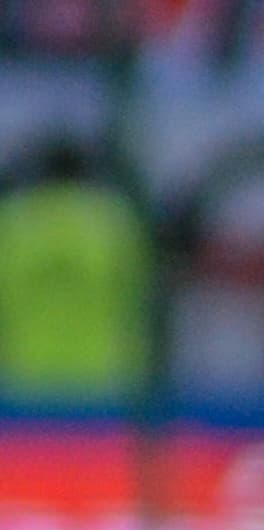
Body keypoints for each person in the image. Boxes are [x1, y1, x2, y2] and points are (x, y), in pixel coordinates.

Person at [0, 132, 155, 406]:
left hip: (22, 378)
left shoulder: (11, 222)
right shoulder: (116, 222)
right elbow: (142, 298)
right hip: (105, 378)